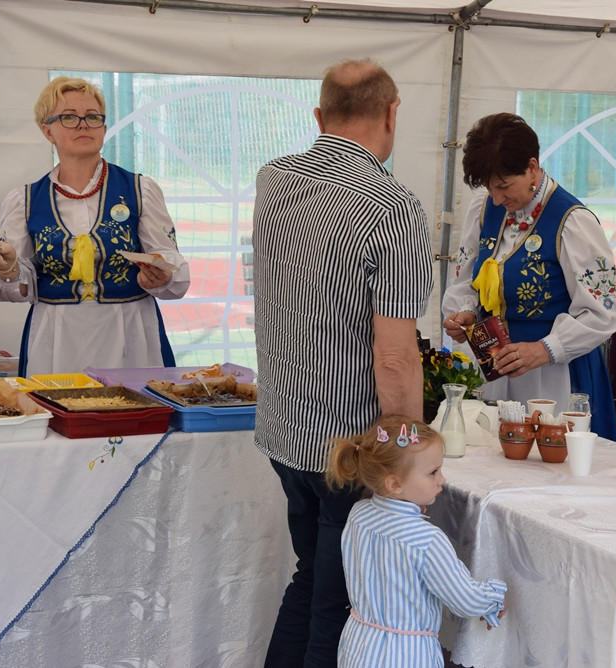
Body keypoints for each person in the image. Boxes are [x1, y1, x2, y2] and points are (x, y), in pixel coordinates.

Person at [251, 60, 434, 668]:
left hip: (285, 427)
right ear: (391, 113)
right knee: (343, 603)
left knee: (312, 582)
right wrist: (408, 451)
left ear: (319, 117)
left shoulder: (273, 180)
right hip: (350, 447)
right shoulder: (392, 205)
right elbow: (395, 354)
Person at [0, 76, 189, 375]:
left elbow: (172, 269)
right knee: (59, 418)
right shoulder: (24, 200)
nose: (83, 124)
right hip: (56, 340)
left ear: (103, 128)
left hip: (131, 335)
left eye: (92, 117)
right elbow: (13, 285)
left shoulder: (140, 190)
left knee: (133, 418)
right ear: (47, 131)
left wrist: (161, 276)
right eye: (69, 117)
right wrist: (9, 268)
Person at [442, 113, 616, 440]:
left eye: (503, 186)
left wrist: (545, 349)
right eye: (489, 187)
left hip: (555, 377)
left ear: (531, 167)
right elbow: (466, 280)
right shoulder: (485, 208)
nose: (497, 198)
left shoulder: (573, 222)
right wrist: (465, 313)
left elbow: (605, 312)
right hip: (496, 373)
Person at [325, 415, 507, 667]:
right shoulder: (427, 540)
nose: (442, 480)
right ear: (395, 484)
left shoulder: (358, 514)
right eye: (433, 472)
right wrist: (494, 596)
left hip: (359, 645)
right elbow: (465, 600)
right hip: (407, 654)